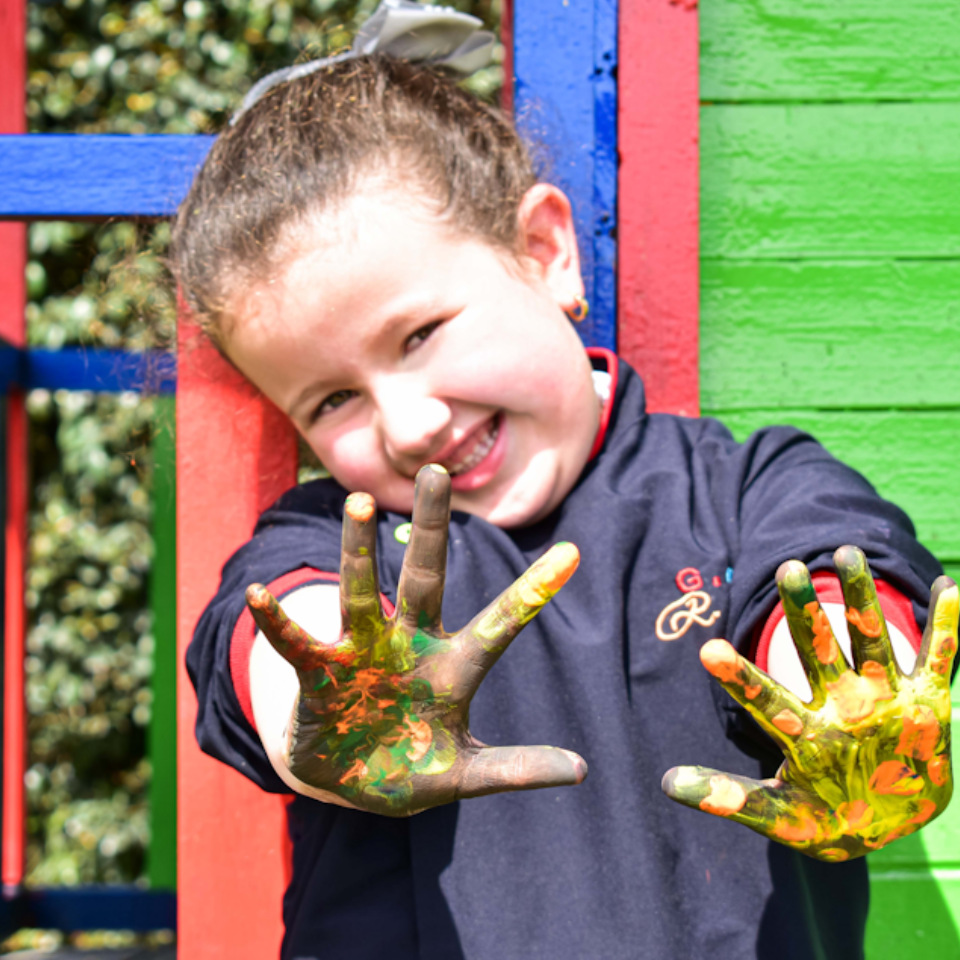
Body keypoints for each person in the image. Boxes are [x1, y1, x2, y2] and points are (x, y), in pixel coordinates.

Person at [172, 41, 957, 960]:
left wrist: (843, 698)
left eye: (419, 334)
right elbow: (267, 636)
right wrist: (328, 694)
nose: (409, 423)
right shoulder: (335, 542)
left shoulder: (742, 489)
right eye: (331, 401)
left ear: (544, 253)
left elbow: (833, 567)